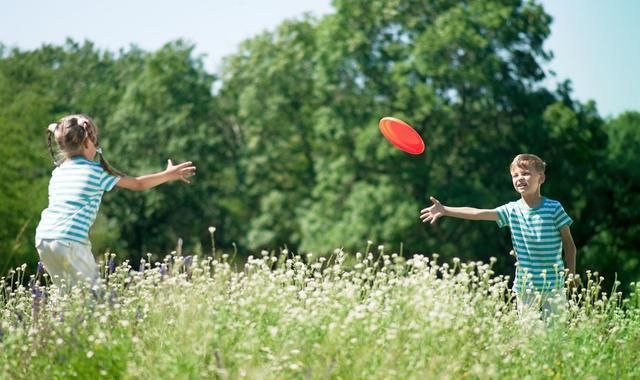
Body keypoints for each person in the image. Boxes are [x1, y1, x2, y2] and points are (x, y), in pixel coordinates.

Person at [35, 114, 196, 288]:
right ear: (87, 143)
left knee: (67, 294)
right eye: (95, 139)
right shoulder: (96, 172)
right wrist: (167, 175)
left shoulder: (59, 172)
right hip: (70, 240)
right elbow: (138, 184)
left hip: (44, 239)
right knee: (94, 297)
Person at [419, 153, 577, 319]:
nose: (520, 178)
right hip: (526, 287)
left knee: (555, 335)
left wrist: (571, 275)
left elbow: (569, 245)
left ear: (541, 178)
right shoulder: (511, 210)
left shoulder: (554, 208)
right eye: (515, 175)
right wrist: (445, 210)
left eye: (526, 173)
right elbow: (477, 213)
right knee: (529, 334)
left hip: (554, 285)